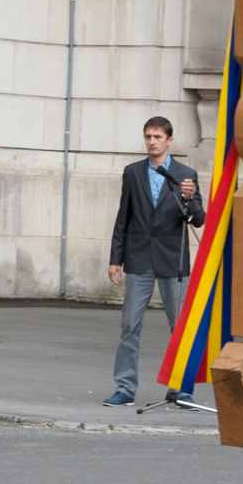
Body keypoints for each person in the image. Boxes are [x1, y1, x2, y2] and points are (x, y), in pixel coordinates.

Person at [103, 117, 206, 408]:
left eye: (157, 137)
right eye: (148, 136)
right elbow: (124, 217)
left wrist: (190, 200)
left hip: (173, 260)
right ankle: (124, 387)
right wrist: (116, 259)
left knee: (180, 327)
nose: (152, 142)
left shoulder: (185, 174)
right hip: (139, 259)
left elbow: (198, 219)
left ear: (169, 140)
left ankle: (182, 389)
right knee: (130, 325)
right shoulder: (133, 173)